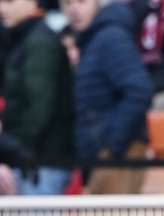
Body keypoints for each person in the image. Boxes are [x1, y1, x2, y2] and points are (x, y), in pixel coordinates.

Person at [64, 0, 153, 194]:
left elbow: (139, 91)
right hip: (102, 157)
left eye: (81, 2)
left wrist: (112, 146)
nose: (74, 9)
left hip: (118, 157)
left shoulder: (111, 38)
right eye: (68, 3)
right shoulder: (93, 39)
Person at [0, 0, 73, 194]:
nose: (2, 8)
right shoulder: (21, 38)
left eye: (9, 1)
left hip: (41, 161)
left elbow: (40, 108)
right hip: (29, 158)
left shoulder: (39, 41)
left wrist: (13, 149)